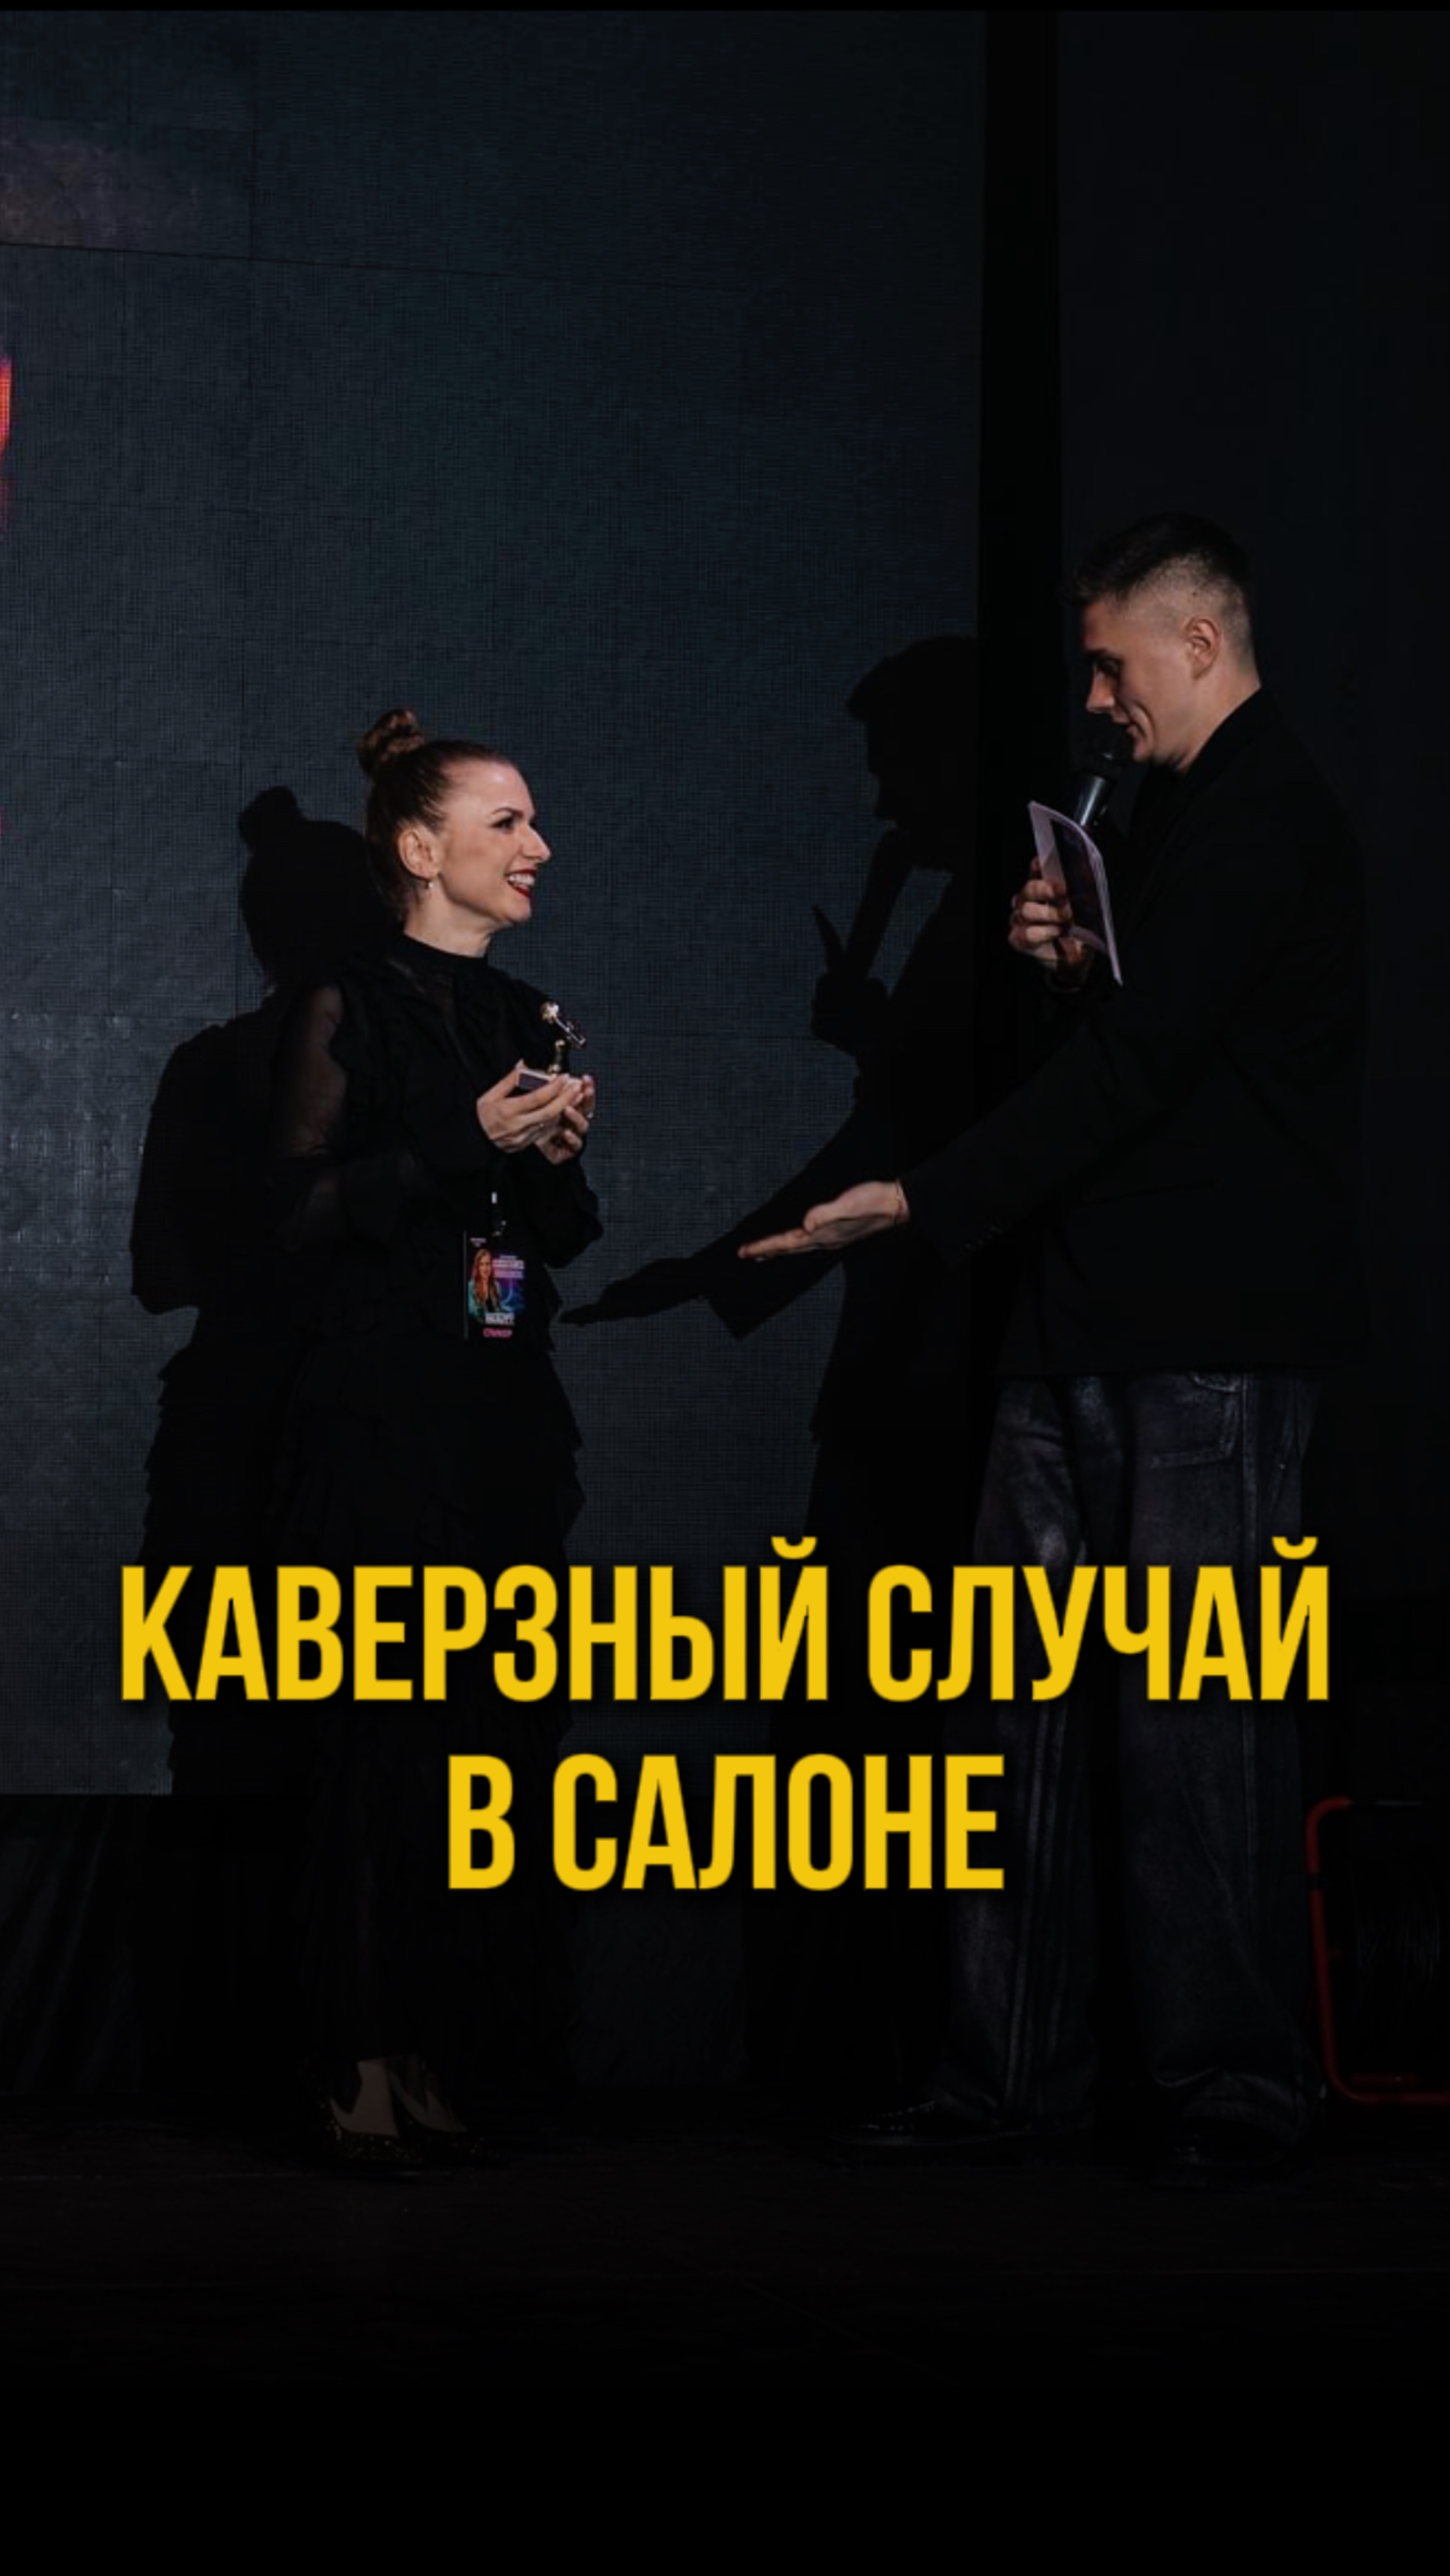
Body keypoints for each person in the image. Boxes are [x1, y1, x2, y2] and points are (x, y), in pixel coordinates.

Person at [743, 516, 1366, 2186]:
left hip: (1209, 1333)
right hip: (1077, 1314)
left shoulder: (1265, 816)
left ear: (1198, 642)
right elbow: (1139, 1048)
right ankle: (1007, 2070)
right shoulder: (1163, 818)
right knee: (1010, 1709)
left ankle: (1231, 2087)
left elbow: (1146, 1073)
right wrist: (1071, 966)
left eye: (1109, 665)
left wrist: (921, 1198)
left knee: (1193, 1717)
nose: (1093, 699)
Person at [269, 708, 599, 2166]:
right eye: (506, 823)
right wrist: (466, 1141)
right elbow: (291, 1217)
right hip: (377, 1423)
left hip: (499, 1421)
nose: (539, 847)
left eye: (533, 821)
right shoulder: (344, 1004)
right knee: (373, 1740)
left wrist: (555, 1161)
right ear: (420, 848)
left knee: (487, 1746)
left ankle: (435, 2042)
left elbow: (553, 1236)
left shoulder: (525, 1013)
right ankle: (348, 2051)